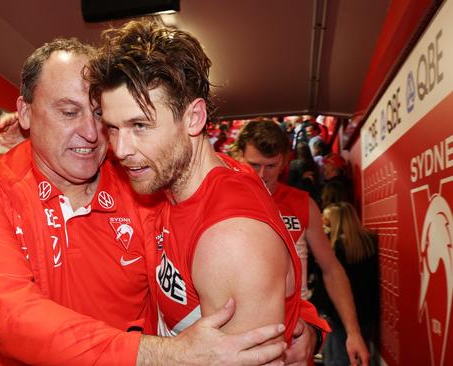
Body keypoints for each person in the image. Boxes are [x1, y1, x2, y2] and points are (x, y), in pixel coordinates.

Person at [0, 38, 292, 366]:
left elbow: (218, 201)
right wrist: (167, 355)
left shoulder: (140, 180)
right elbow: (14, 319)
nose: (90, 132)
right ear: (25, 112)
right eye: (68, 112)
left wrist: (293, 314)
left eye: (99, 115)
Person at [87, 19, 329, 361]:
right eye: (112, 128)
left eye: (140, 126)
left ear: (194, 118)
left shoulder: (230, 240)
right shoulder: (185, 178)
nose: (121, 148)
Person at [234, 120, 370, 365]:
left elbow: (331, 269)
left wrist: (353, 332)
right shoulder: (226, 203)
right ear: (239, 156)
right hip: (240, 334)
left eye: (271, 166)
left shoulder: (302, 204)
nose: (262, 175)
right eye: (254, 165)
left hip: (294, 334)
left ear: (285, 161)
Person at [321, 202, 379, 366]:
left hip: (340, 316)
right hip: (367, 314)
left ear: (335, 221)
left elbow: (330, 285)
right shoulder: (369, 242)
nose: (323, 223)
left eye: (325, 219)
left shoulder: (334, 249)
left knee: (336, 359)